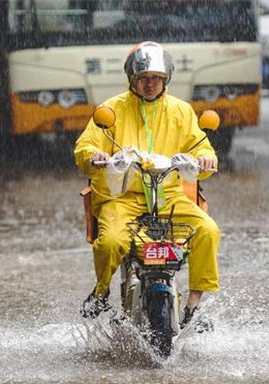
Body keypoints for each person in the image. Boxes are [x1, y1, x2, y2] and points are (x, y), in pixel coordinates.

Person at [74, 41, 220, 327]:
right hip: (122, 198)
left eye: (156, 78)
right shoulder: (110, 110)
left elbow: (201, 147)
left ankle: (194, 305)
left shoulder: (182, 111)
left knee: (208, 230)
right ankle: (101, 291)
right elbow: (85, 148)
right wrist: (96, 155)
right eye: (144, 78)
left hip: (168, 196)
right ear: (133, 79)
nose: (150, 84)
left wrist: (205, 160)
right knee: (112, 241)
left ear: (166, 80)